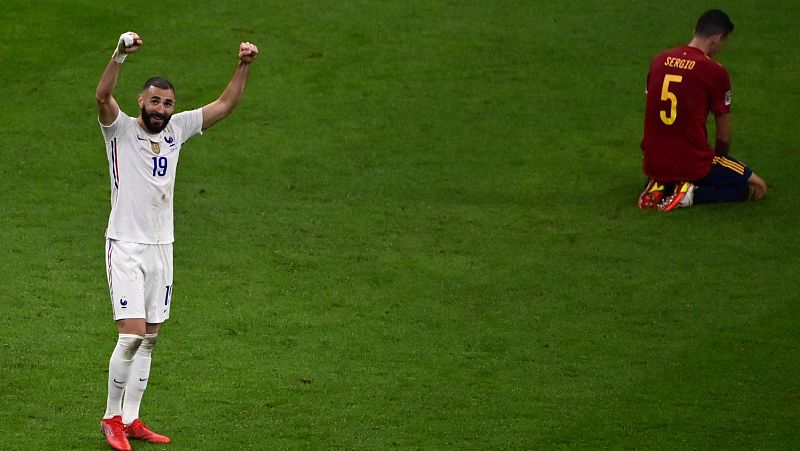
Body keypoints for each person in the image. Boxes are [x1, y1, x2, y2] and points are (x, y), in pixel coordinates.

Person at [95, 32, 259, 451]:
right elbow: (102, 96)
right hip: (125, 245)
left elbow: (226, 104)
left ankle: (132, 419)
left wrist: (243, 65)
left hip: (162, 247)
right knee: (131, 336)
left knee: (149, 337)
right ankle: (111, 417)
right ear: (141, 101)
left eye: (167, 104)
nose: (161, 110)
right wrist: (119, 55)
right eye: (155, 102)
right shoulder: (119, 130)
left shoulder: (178, 128)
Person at [638, 9, 767, 211]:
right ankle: (691, 195)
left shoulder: (658, 61)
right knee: (758, 187)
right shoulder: (714, 71)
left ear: (694, 30)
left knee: (677, 159)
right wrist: (719, 160)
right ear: (717, 39)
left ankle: (662, 184)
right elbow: (723, 137)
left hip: (653, 161)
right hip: (691, 163)